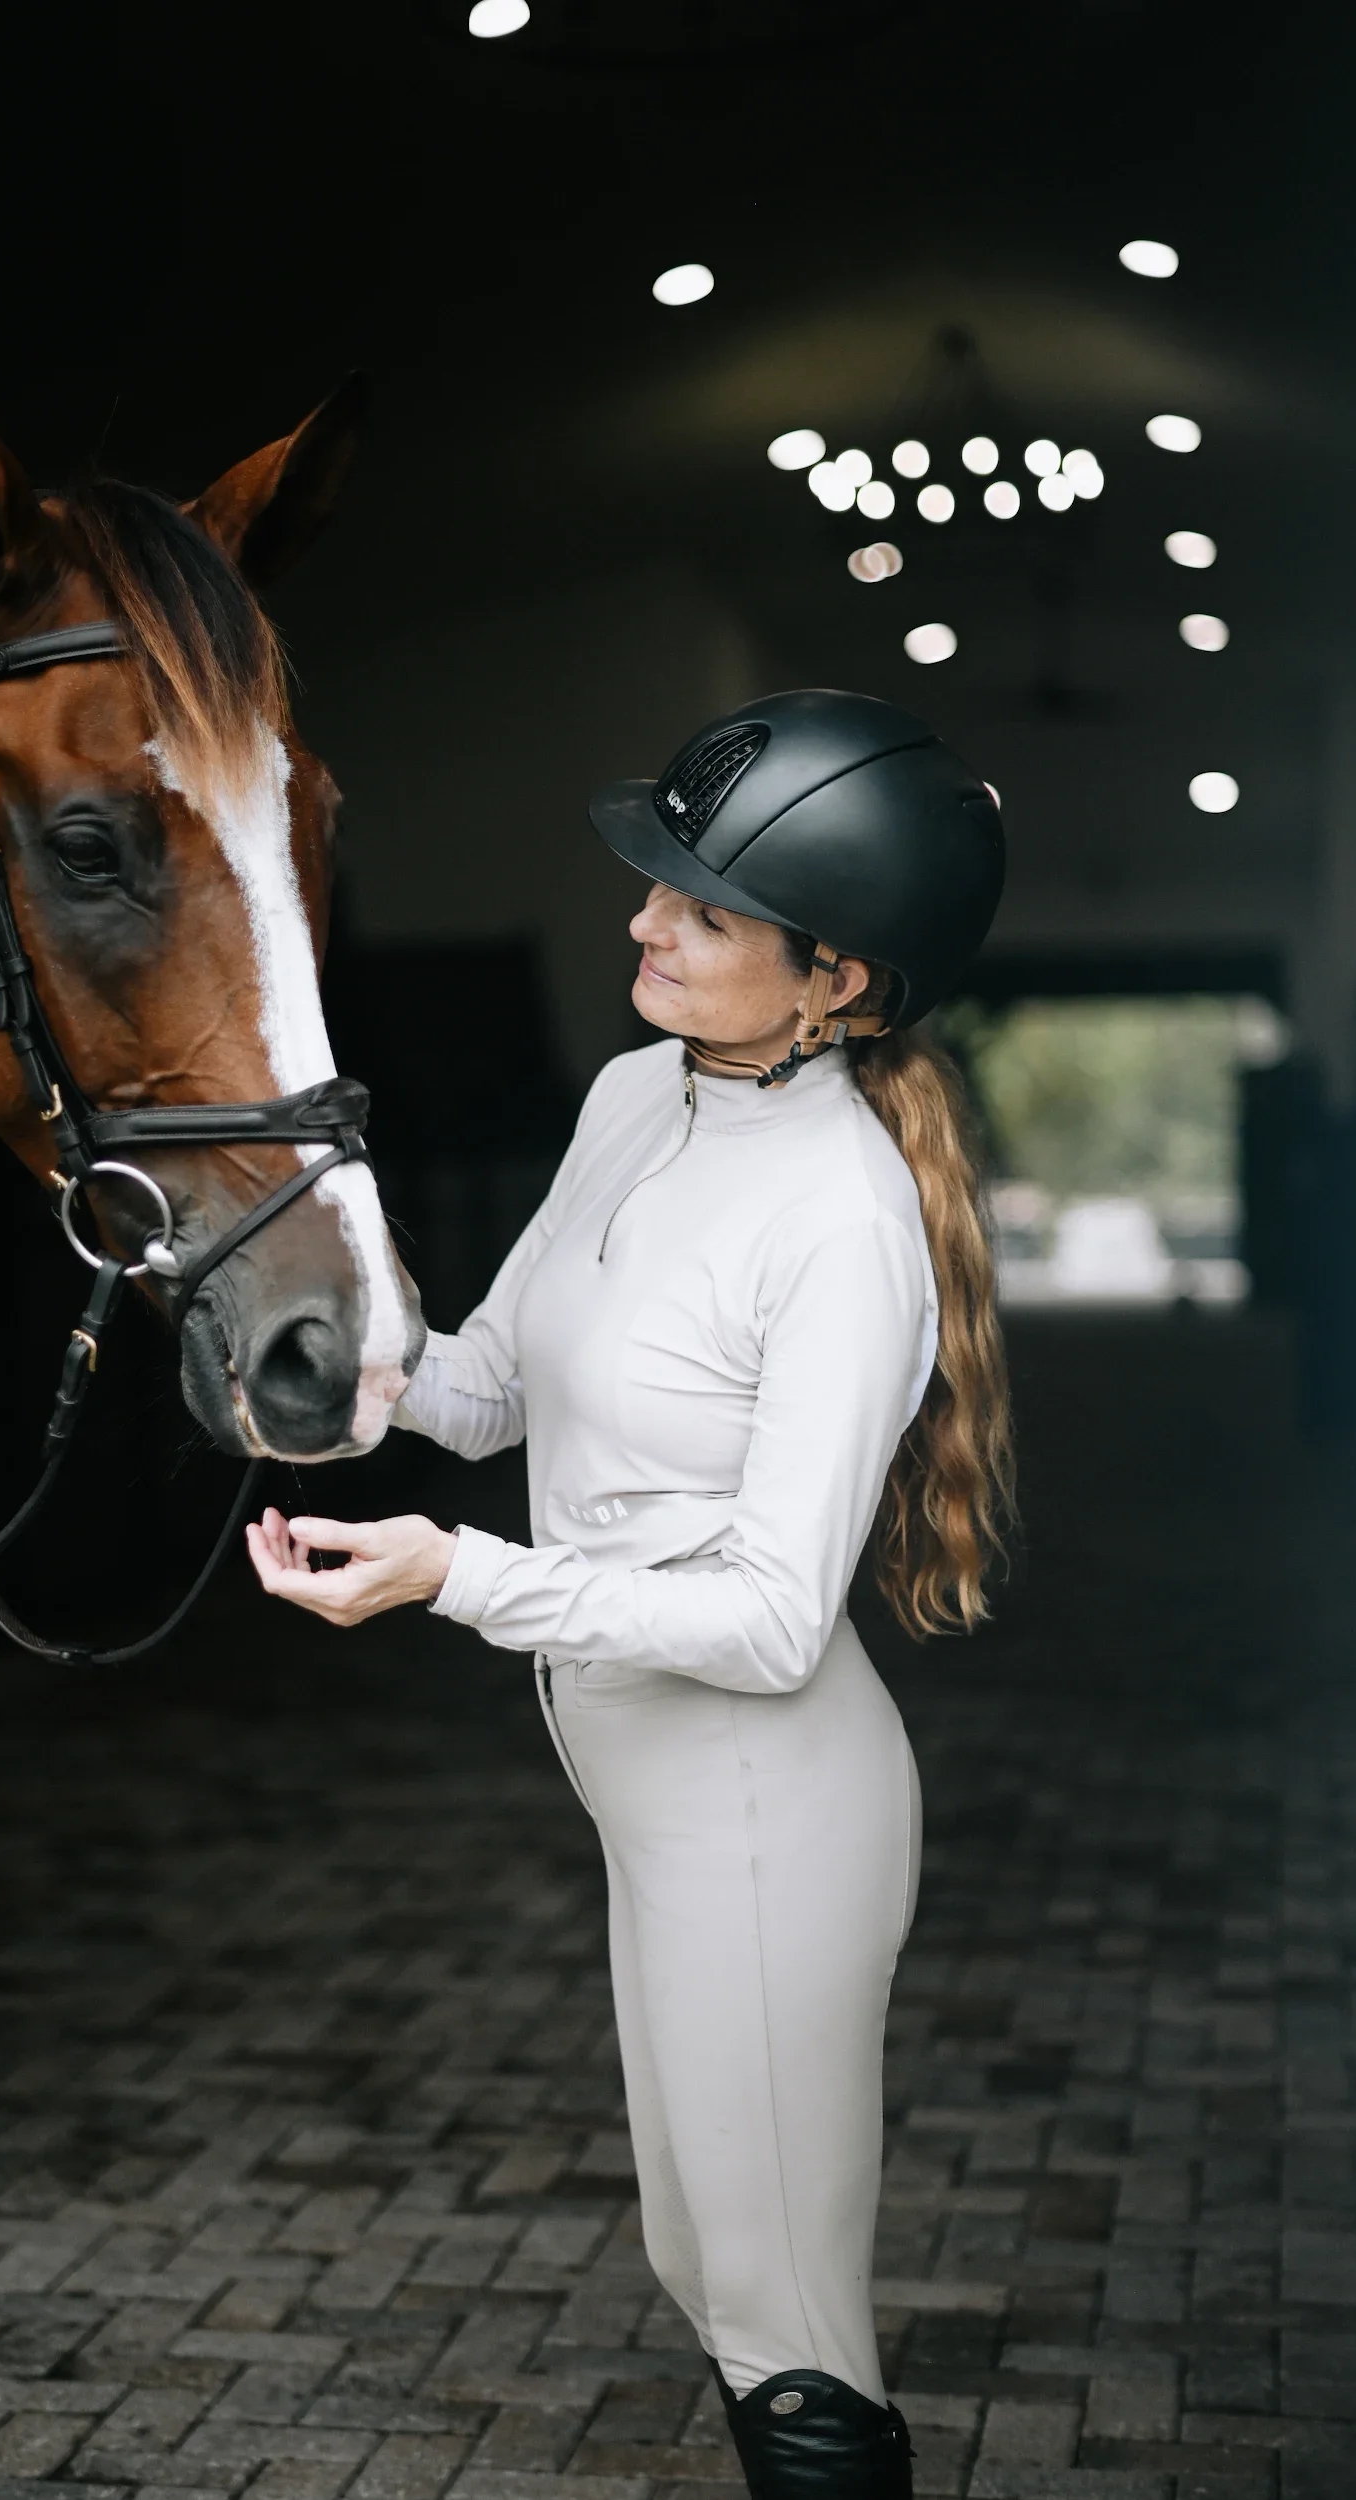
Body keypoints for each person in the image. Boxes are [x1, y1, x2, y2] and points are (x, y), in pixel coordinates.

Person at [246, 690, 1013, 2500]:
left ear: (838, 977)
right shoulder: (630, 1095)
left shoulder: (841, 1215)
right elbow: (495, 1381)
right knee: (701, 2261)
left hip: (764, 1806)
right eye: (655, 888)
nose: (638, 923)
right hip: (651, 1794)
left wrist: (458, 1576)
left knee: (780, 2323)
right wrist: (307, 1322)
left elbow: (764, 1621)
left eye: (698, 909)